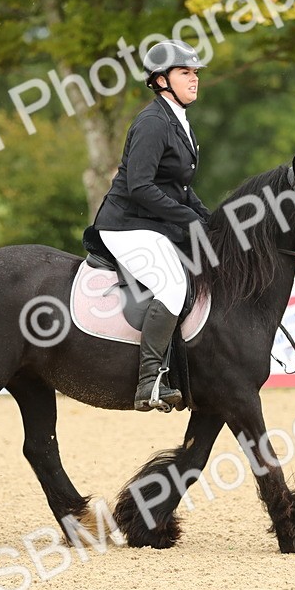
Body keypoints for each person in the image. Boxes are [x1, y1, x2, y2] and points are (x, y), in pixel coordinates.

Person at [88, 39, 210, 411]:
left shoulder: (179, 121)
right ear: (160, 80)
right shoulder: (153, 122)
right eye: (185, 73)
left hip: (153, 223)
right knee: (172, 286)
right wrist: (189, 219)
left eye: (195, 74)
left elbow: (180, 188)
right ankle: (150, 378)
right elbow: (140, 186)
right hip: (127, 224)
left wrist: (209, 220)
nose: (194, 80)